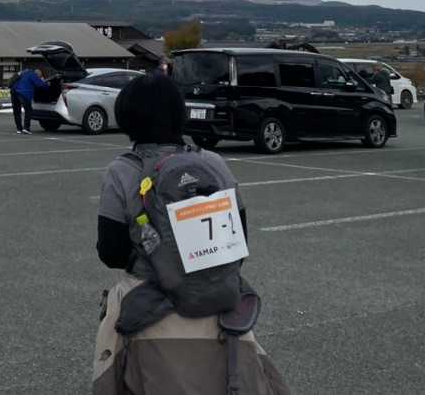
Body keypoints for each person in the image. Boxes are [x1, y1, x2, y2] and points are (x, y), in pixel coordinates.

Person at [92, 73, 289, 394]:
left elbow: (111, 252)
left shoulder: (122, 170)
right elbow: (238, 241)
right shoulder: (213, 163)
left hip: (147, 307)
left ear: (126, 118)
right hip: (219, 304)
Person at [9, 61, 49, 134]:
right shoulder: (32, 74)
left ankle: (19, 129)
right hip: (23, 93)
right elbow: (40, 85)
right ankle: (26, 128)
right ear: (38, 73)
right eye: (40, 75)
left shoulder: (24, 73)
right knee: (28, 110)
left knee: (17, 111)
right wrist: (47, 84)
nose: (40, 76)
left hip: (14, 92)